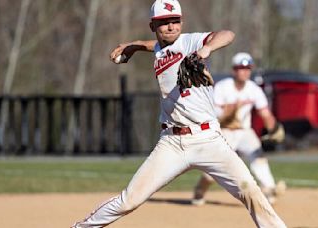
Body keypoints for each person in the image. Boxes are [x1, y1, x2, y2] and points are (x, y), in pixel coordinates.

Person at [72, 1, 286, 227]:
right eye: (164, 23)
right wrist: (134, 46)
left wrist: (206, 50)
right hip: (172, 143)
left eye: (175, 21)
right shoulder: (159, 49)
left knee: (250, 192)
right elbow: (154, 46)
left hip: (208, 141)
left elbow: (227, 34)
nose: (171, 27)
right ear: (153, 25)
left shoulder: (191, 41)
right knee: (129, 201)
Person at [191, 52, 286, 206]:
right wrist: (231, 110)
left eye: (247, 68)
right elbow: (215, 115)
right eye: (241, 68)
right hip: (224, 132)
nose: (244, 71)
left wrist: (273, 128)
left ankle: (269, 189)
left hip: (245, 132)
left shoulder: (254, 89)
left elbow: (265, 113)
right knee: (213, 170)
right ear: (234, 70)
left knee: (258, 156)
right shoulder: (222, 87)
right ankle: (200, 189)